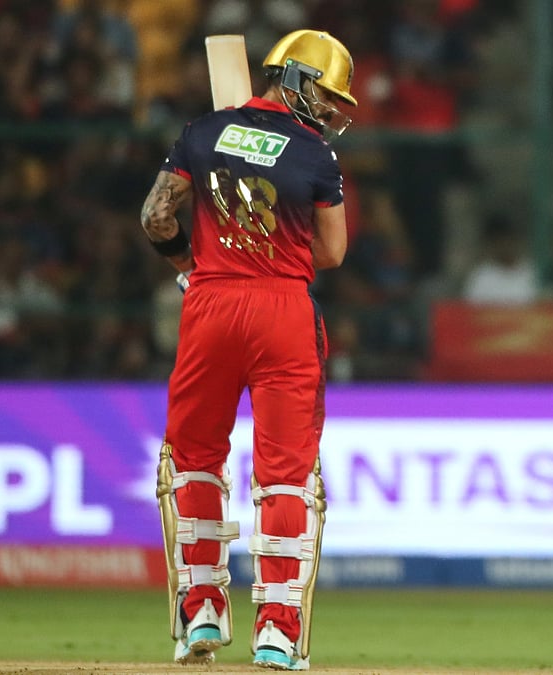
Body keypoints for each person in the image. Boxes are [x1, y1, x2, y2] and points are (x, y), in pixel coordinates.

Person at [139, 29, 357, 671]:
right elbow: (333, 254)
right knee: (286, 472)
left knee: (196, 458)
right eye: (323, 91)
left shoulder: (202, 133)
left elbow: (155, 215)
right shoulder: (317, 156)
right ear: (291, 78)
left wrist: (192, 263)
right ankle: (278, 632)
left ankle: (201, 610)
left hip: (208, 304)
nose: (329, 108)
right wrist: (273, 246)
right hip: (283, 309)